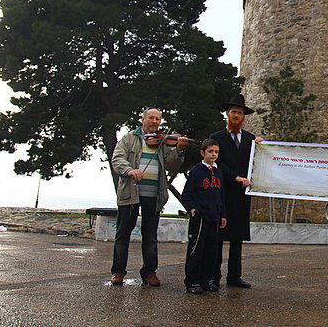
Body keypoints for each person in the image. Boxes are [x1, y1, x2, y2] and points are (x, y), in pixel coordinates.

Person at [110, 108, 189, 287]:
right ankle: (118, 272)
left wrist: (179, 150)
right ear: (143, 119)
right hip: (130, 193)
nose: (154, 121)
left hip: (154, 195)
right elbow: (117, 159)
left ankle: (149, 272)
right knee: (123, 233)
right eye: (151, 118)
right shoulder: (129, 138)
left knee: (150, 235)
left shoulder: (162, 141)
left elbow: (171, 165)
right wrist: (130, 170)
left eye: (158, 119)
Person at [210, 94, 262, 288]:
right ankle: (214, 276)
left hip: (242, 194)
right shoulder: (216, 137)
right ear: (227, 114)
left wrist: (263, 148)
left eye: (240, 113)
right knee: (218, 237)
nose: (236, 115)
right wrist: (234, 177)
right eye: (233, 112)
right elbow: (217, 162)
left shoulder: (250, 139)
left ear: (243, 116)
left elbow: (256, 161)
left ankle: (234, 276)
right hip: (222, 192)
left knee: (237, 237)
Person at [182, 138, 227, 294]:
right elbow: (187, 194)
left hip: (214, 218)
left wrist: (223, 214)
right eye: (210, 151)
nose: (213, 154)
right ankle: (192, 282)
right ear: (203, 153)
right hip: (200, 218)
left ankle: (206, 280)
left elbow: (221, 195)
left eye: (216, 152)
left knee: (211, 251)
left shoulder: (219, 172)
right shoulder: (196, 171)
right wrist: (192, 209)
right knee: (196, 250)